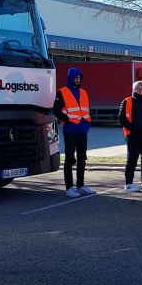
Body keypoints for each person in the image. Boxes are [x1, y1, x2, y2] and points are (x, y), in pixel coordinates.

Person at [53, 67, 95, 198]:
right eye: (76, 78)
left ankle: (81, 185)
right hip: (70, 130)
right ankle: (69, 188)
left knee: (82, 158)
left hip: (83, 129)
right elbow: (56, 110)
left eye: (79, 78)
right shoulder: (62, 92)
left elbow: (86, 109)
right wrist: (66, 120)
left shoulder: (84, 92)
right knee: (70, 159)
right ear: (71, 78)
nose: (77, 80)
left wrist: (87, 123)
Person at [119, 80, 142, 192]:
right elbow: (122, 118)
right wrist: (133, 128)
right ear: (134, 90)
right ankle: (128, 183)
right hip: (134, 136)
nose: (141, 90)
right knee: (132, 159)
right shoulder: (127, 101)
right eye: (138, 89)